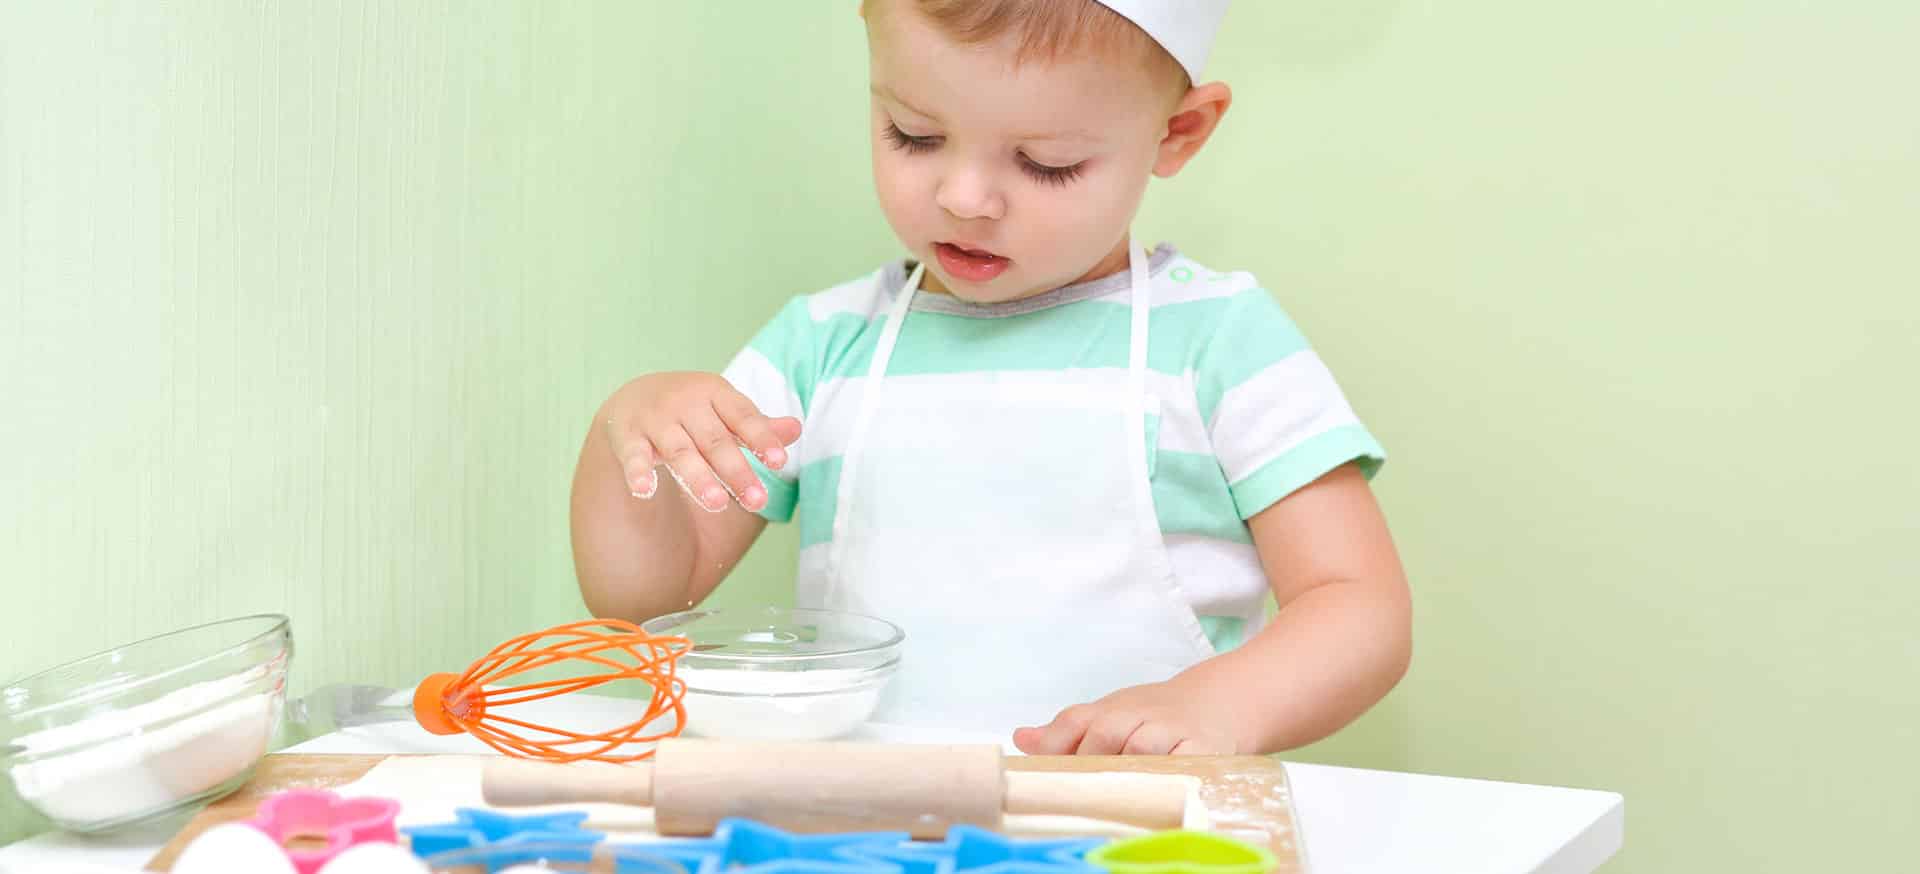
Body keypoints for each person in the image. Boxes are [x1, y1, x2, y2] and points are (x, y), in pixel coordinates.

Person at [571, 0, 1411, 755]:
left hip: (1138, 824)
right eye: (915, 135)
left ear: (1178, 134)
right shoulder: (824, 345)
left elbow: (1358, 607)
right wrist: (630, 434)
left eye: (1047, 163)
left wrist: (1221, 707)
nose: (965, 197)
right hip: (870, 819)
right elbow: (644, 600)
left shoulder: (1219, 344)